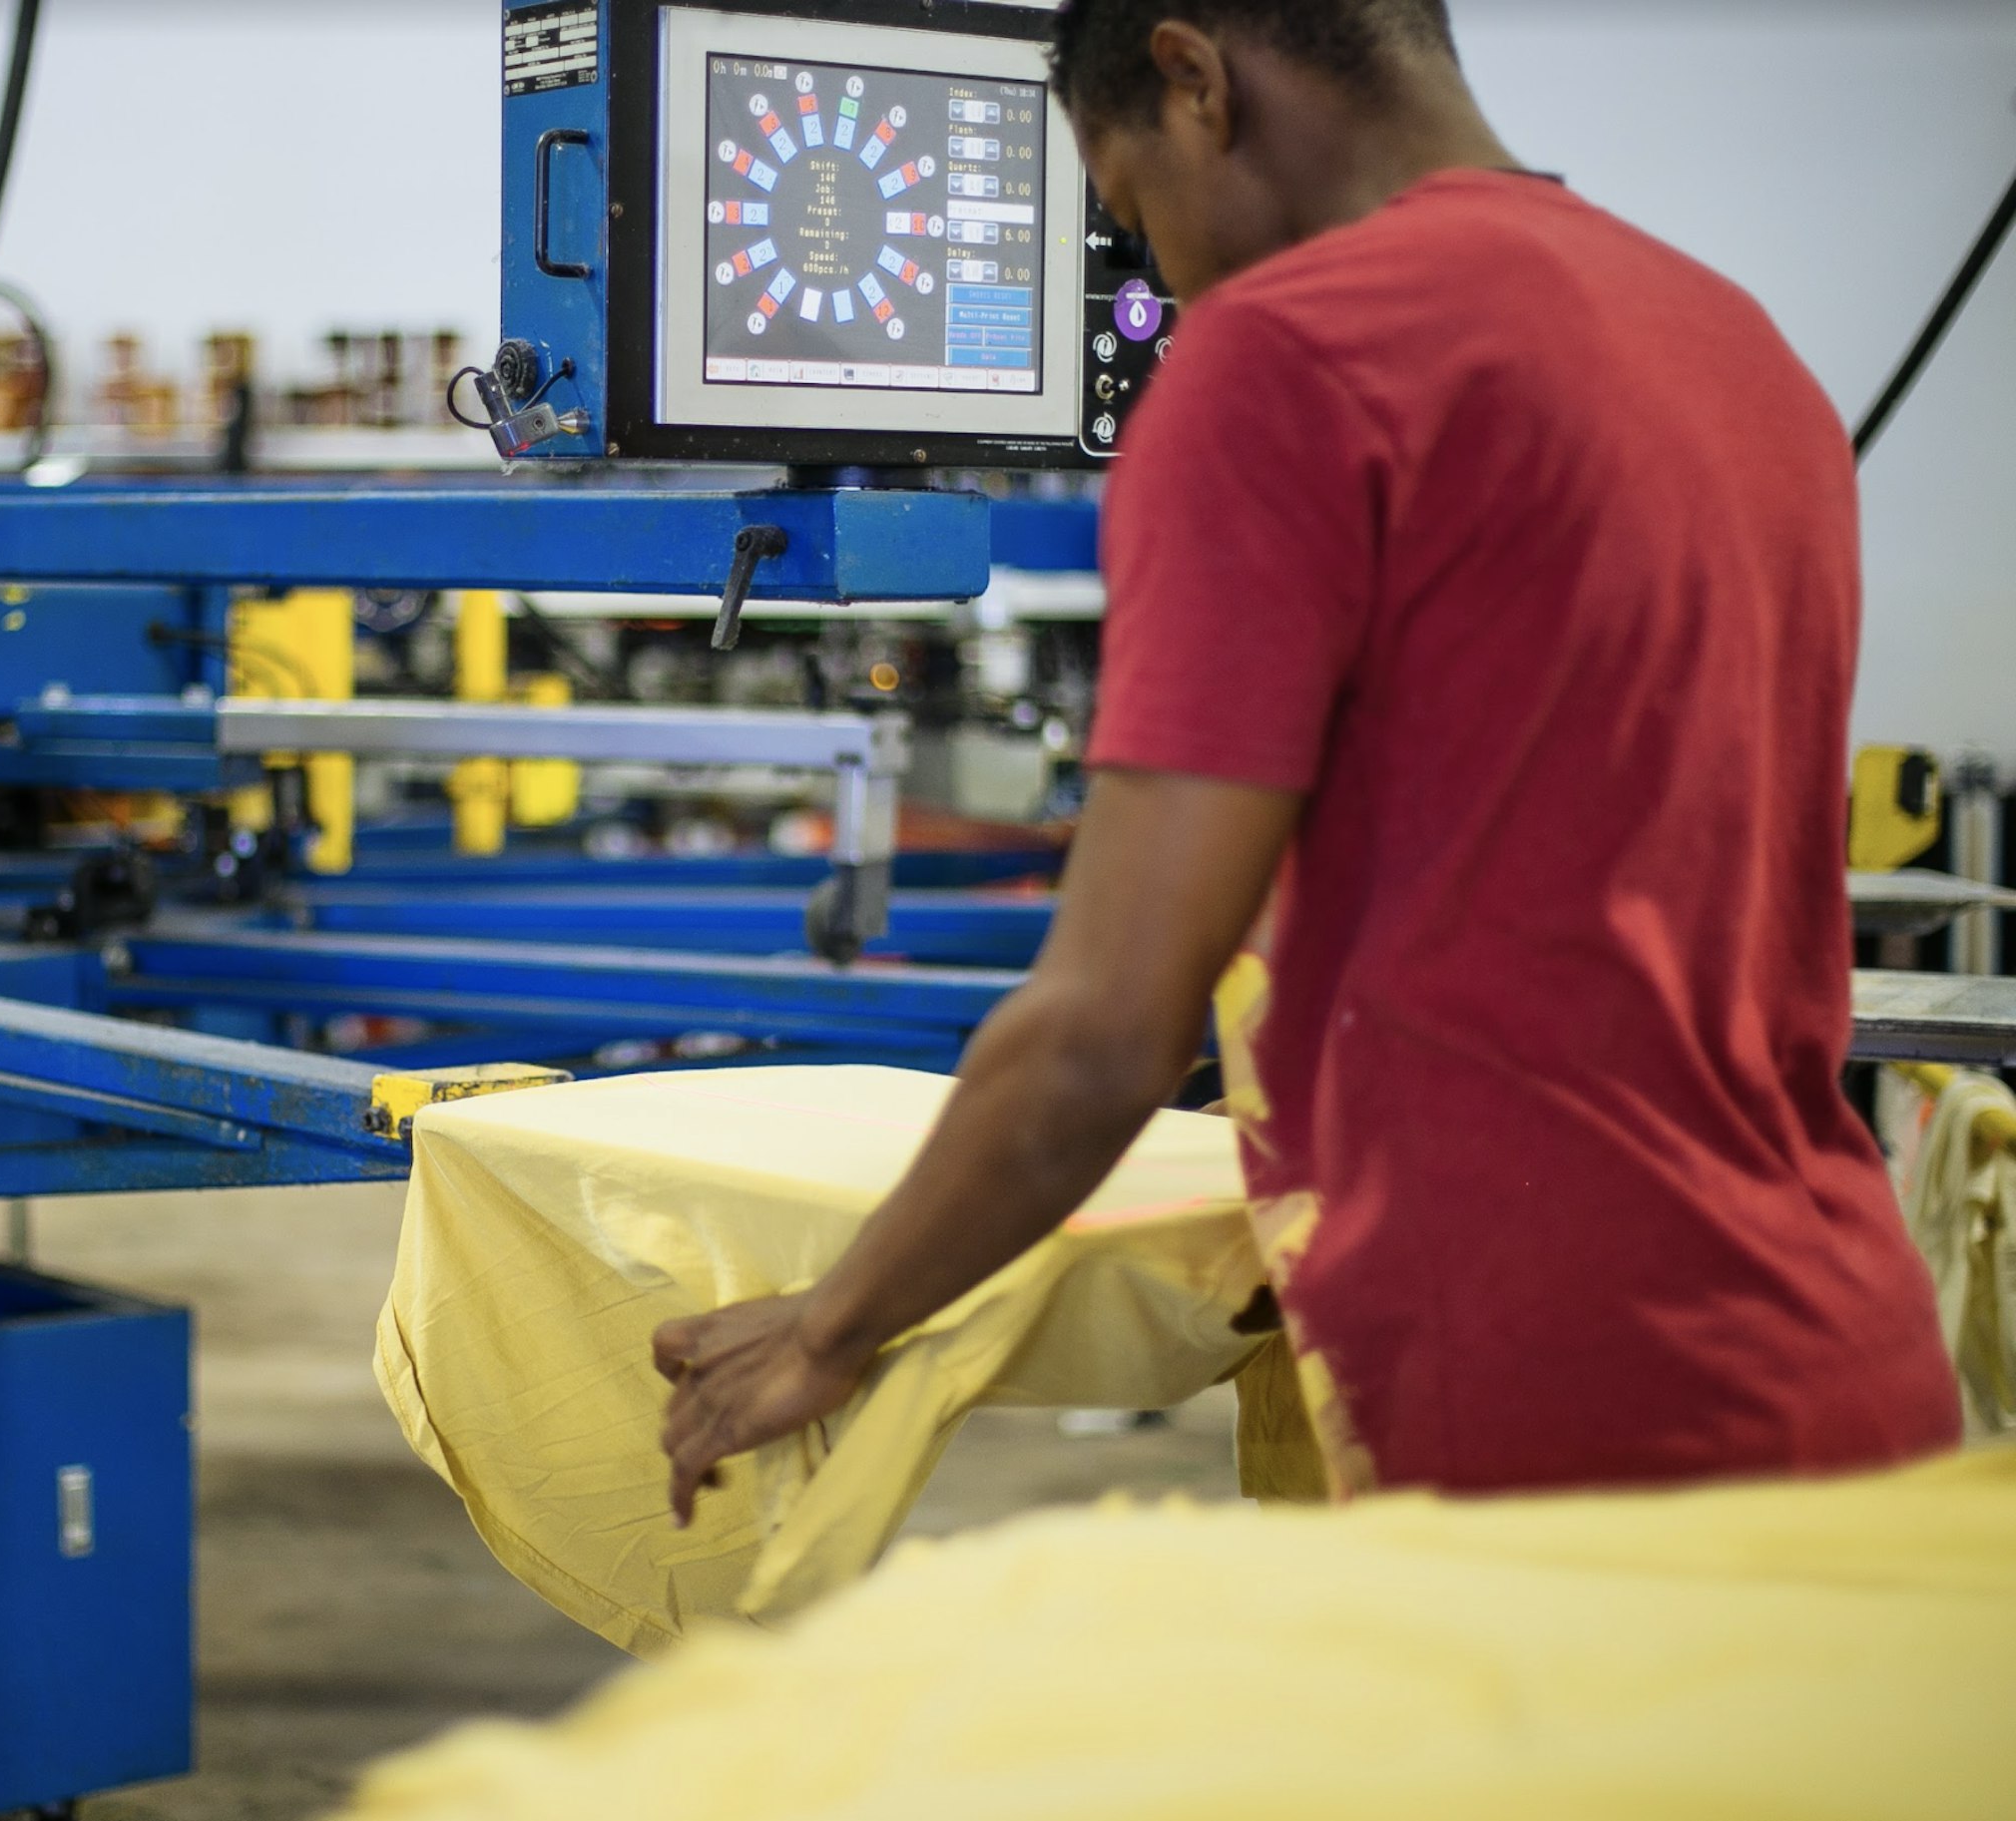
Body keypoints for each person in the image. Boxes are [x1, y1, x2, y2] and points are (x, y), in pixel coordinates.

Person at [654, 0, 1962, 1519]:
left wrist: (832, 1324)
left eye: (1136, 218)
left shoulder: (1284, 360)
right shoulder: (1735, 343)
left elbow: (1096, 1036)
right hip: (1850, 1375)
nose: (1164, 279)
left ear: (1192, 75)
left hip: (1560, 1422)